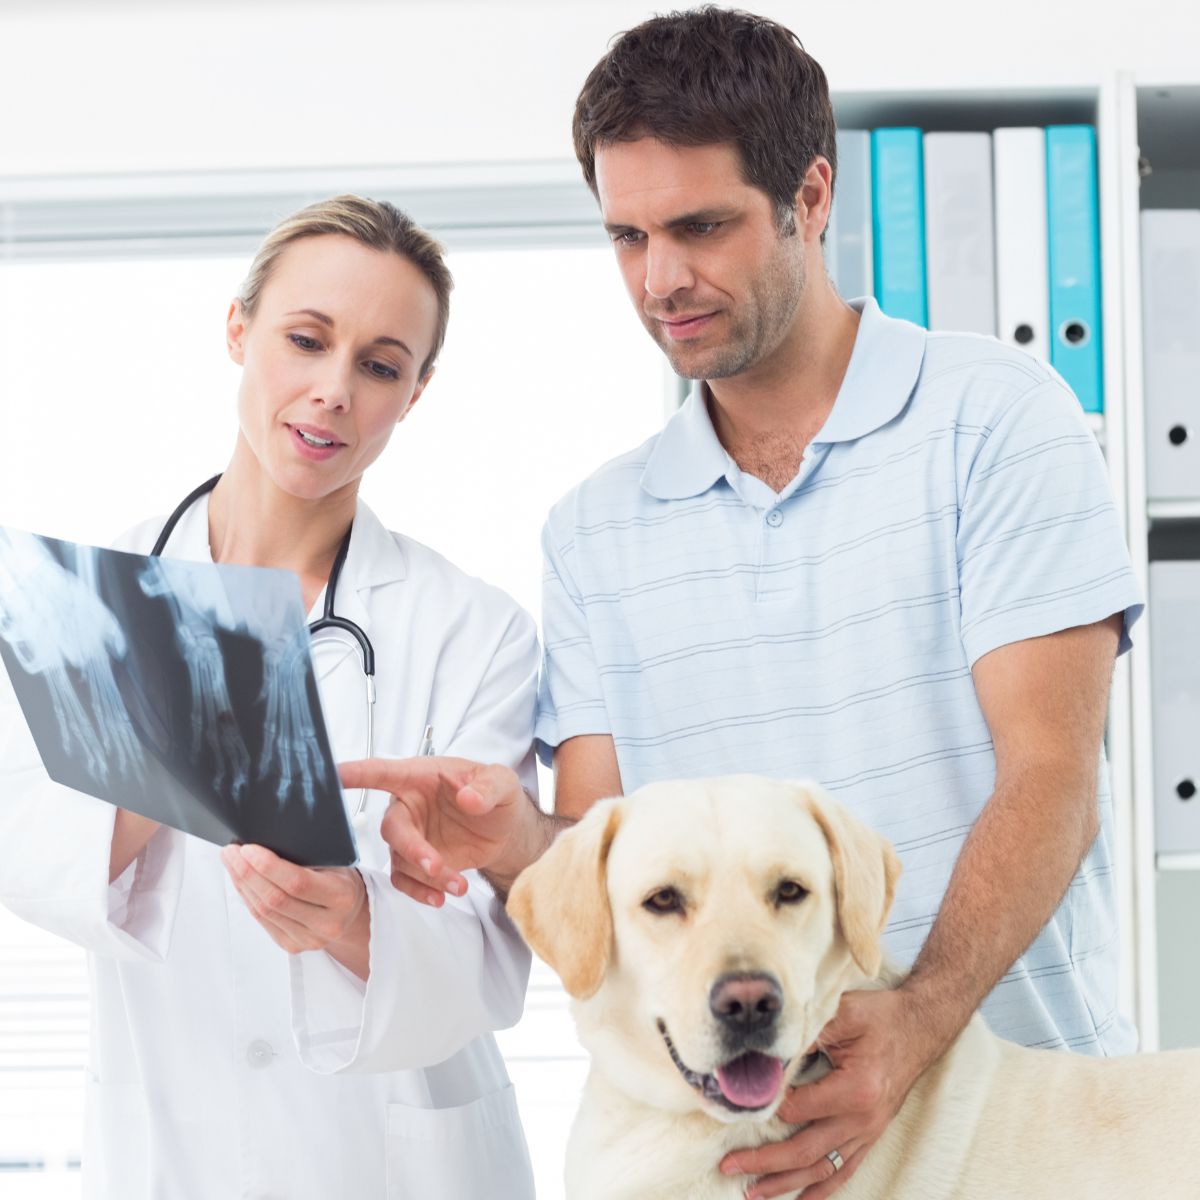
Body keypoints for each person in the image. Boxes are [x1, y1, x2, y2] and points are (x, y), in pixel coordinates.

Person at [348, 8, 1143, 1199]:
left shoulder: (998, 419)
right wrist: (510, 844)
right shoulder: (595, 532)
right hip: (746, 1164)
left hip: (1020, 1133)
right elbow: (609, 872)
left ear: (809, 197)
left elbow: (1053, 780)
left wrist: (913, 1028)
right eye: (628, 236)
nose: (660, 279)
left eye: (701, 227)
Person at [0, 196, 539, 1199]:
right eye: (306, 339)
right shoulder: (96, 603)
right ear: (238, 330)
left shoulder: (475, 631)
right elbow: (22, 846)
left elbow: (490, 955)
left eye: (380, 365)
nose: (333, 390)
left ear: (415, 394)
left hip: (401, 1167)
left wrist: (352, 922)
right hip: (174, 1151)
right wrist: (170, 756)